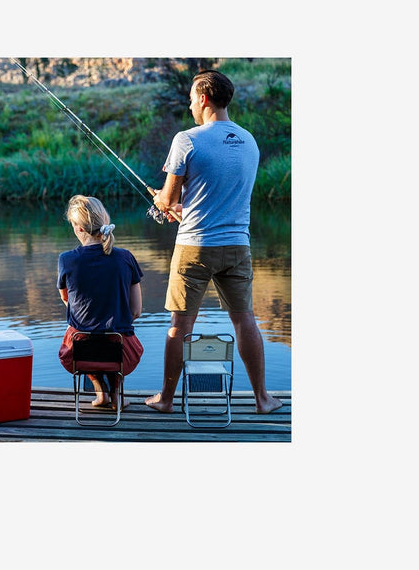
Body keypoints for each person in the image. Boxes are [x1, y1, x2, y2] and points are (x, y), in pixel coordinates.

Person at [145, 70, 283, 415]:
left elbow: (168, 198)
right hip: (238, 246)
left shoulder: (187, 140)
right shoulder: (249, 140)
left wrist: (164, 203)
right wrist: (181, 206)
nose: (191, 104)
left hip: (194, 247)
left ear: (204, 98)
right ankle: (263, 399)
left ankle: (165, 399)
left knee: (180, 325)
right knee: (245, 319)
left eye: (193, 97)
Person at [57, 194, 144, 409]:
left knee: (80, 331)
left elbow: (66, 300)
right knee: (117, 333)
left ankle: (100, 393)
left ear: (78, 228)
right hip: (122, 353)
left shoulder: (66, 259)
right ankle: (116, 395)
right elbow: (136, 311)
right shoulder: (125, 257)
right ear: (105, 220)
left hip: (79, 352)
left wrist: (91, 315)